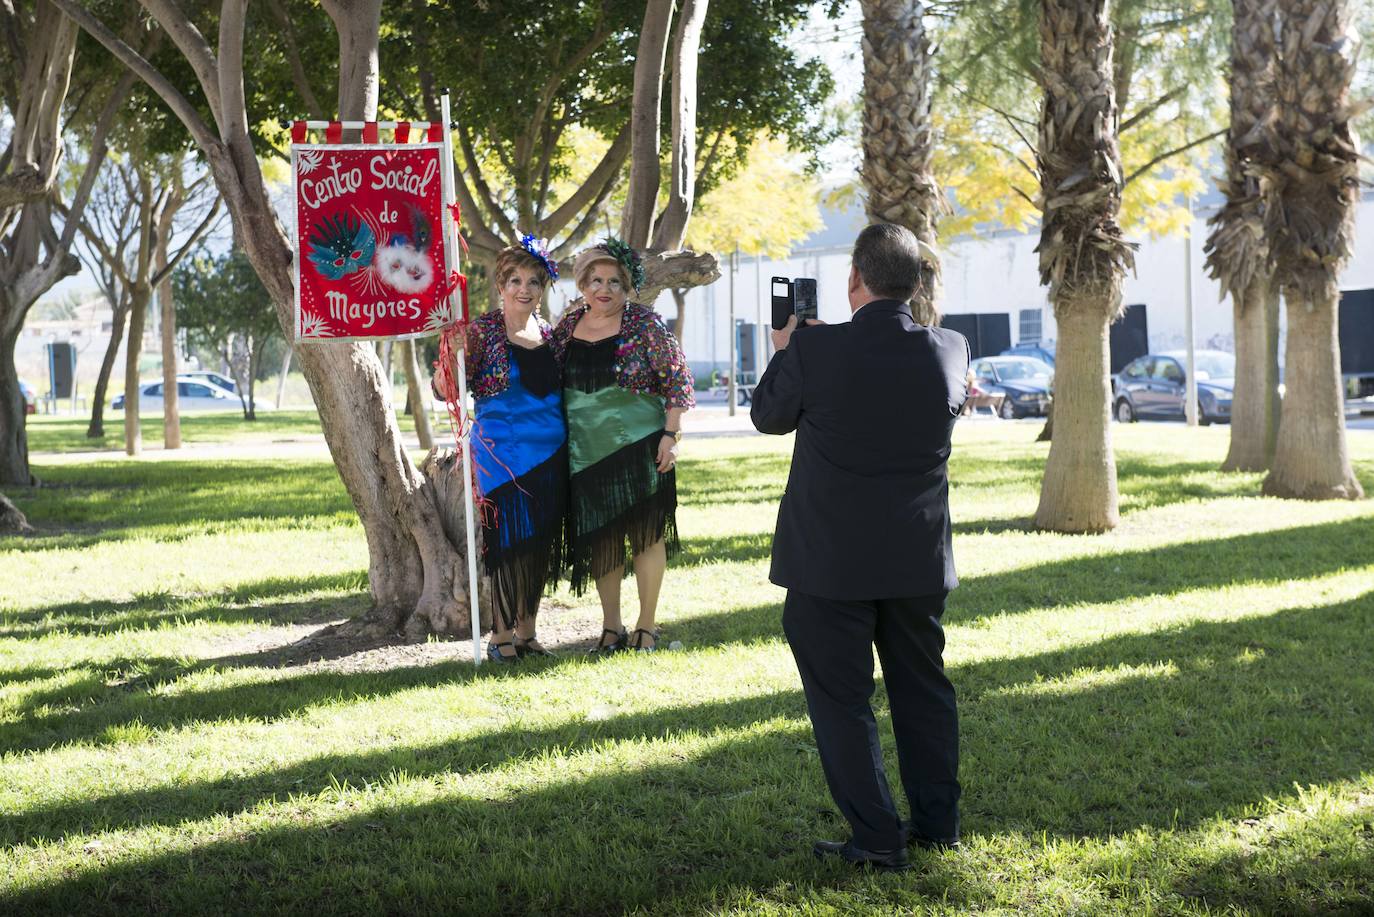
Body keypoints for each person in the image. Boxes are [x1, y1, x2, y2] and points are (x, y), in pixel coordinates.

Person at [750, 223, 970, 871]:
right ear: (918, 282)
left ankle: (877, 835)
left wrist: (786, 347)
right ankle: (939, 824)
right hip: (917, 559)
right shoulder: (951, 349)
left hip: (829, 562)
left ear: (854, 279)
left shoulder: (815, 353)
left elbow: (767, 415)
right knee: (924, 691)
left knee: (843, 702)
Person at [552, 238, 694, 654]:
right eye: (596, 280)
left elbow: (677, 382)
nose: (605, 289)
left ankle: (645, 628)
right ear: (582, 284)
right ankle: (611, 628)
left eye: (615, 281)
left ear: (627, 286)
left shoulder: (646, 324)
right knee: (603, 539)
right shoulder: (567, 326)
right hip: (586, 451)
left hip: (642, 446)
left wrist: (671, 435)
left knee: (647, 537)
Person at [441, 235, 567, 662]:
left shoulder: (550, 334)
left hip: (550, 451)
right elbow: (444, 390)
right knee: (507, 544)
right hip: (502, 454)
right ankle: (501, 637)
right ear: (500, 285)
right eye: (514, 280)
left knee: (539, 544)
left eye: (533, 281)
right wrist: (450, 357)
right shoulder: (480, 331)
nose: (524, 289)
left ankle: (528, 633)